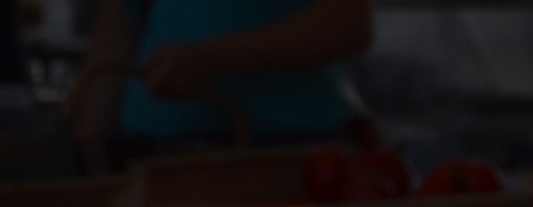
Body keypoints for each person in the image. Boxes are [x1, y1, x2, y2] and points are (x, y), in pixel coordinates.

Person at [70, 0, 374, 147]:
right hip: (150, 151)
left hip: (287, 149)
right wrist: (87, 154)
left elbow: (349, 24)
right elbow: (116, 31)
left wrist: (213, 59)